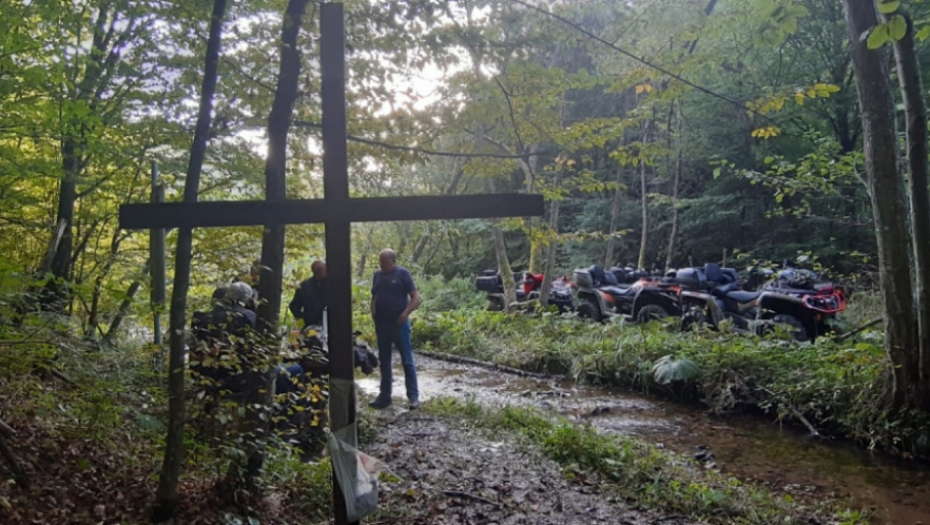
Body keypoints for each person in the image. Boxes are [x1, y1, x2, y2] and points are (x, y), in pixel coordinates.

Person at [369, 249, 422, 410]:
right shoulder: (377, 276)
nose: (381, 264)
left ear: (392, 261)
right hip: (382, 324)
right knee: (384, 360)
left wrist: (405, 314)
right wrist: (373, 311)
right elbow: (374, 296)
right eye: (380, 261)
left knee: (407, 360)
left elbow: (416, 298)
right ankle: (385, 396)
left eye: (384, 262)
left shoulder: (403, 274)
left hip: (399, 324)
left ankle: (413, 397)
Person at [289, 260, 327, 327]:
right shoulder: (305, 286)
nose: (321, 271)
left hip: (331, 323)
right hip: (311, 324)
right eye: (319, 270)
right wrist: (304, 319)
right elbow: (294, 306)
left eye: (322, 268)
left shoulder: (332, 284)